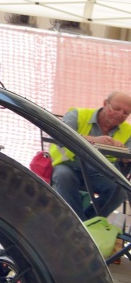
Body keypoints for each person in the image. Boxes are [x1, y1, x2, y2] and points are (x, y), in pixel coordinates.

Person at [49, 92, 131, 221]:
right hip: (69, 165)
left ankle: (87, 222)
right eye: (116, 109)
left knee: (121, 190)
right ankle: (79, 224)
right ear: (105, 104)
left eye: (126, 113)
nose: (121, 114)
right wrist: (93, 140)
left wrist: (123, 153)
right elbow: (58, 134)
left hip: (99, 173)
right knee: (63, 176)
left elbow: (127, 159)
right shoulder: (78, 115)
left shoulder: (128, 130)